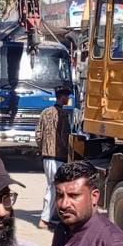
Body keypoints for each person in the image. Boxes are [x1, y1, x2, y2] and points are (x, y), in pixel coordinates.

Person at [35, 86, 72, 229]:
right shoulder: (63, 114)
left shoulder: (44, 112)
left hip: (46, 156)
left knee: (52, 185)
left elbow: (38, 134)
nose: (68, 99)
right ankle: (44, 219)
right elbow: (65, 137)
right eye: (67, 97)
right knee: (54, 187)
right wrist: (68, 152)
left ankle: (52, 215)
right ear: (62, 97)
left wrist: (42, 148)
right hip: (58, 156)